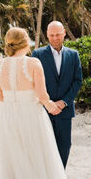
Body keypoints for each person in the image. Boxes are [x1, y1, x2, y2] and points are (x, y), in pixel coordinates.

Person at [0, 27, 70, 179]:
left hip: (8, 115)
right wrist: (51, 106)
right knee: (36, 156)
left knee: (14, 156)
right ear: (26, 42)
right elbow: (42, 96)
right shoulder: (33, 63)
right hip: (31, 114)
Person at [32, 21, 82, 168]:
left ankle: (60, 178)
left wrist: (64, 102)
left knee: (65, 147)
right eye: (52, 35)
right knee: (45, 148)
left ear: (64, 33)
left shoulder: (73, 55)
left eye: (58, 34)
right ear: (47, 35)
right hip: (44, 110)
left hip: (65, 111)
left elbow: (77, 81)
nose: (55, 38)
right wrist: (48, 104)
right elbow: (34, 83)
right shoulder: (37, 54)